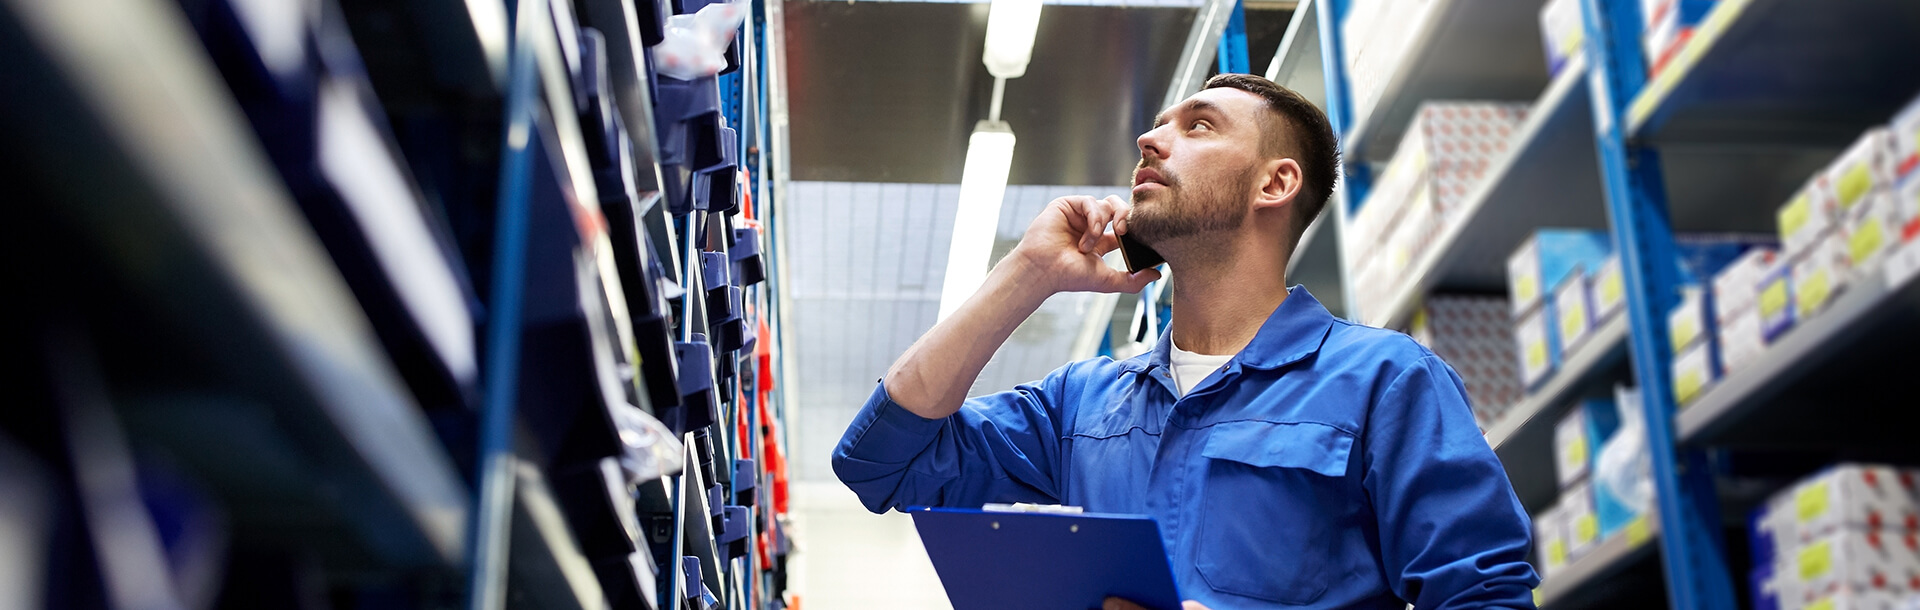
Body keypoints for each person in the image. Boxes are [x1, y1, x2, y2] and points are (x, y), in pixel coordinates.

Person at [832, 73, 1539, 609]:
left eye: (1199, 126)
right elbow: (879, 464)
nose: (1149, 138)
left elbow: (1488, 598)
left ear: (1276, 182)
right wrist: (1027, 271)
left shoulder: (1385, 381)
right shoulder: (1082, 406)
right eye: (1160, 124)